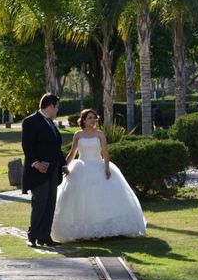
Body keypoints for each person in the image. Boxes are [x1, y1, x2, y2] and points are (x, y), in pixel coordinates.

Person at [51, 109, 146, 242]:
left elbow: (105, 153)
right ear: (83, 120)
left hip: (98, 166)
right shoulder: (78, 135)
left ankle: (104, 229)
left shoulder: (100, 134)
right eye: (90, 118)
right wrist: (64, 165)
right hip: (81, 168)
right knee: (82, 200)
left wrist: (106, 169)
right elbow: (73, 153)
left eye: (94, 118)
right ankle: (83, 230)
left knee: (102, 199)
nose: (93, 120)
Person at [21, 93, 69, 248]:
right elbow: (27, 146)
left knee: (50, 204)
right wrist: (36, 163)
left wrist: (63, 165)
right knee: (40, 204)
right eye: (57, 107)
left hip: (53, 171)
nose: (58, 110)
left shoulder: (51, 123)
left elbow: (56, 148)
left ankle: (45, 236)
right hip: (39, 171)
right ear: (51, 106)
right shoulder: (30, 121)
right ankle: (32, 236)